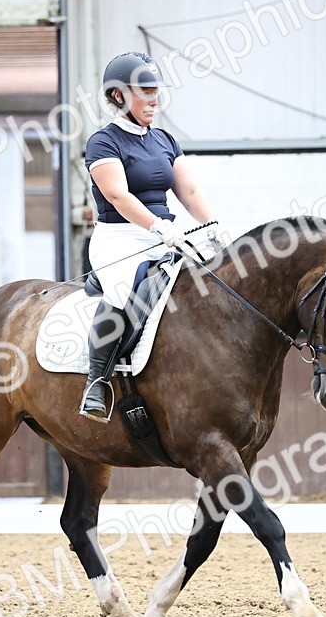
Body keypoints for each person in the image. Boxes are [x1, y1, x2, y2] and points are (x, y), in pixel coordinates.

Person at [79, 51, 220, 422]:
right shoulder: (103, 143)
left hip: (168, 236)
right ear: (118, 97)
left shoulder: (164, 140)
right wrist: (158, 227)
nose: (154, 99)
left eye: (156, 90)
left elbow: (188, 192)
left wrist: (214, 226)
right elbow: (117, 195)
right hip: (121, 238)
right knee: (124, 293)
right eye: (144, 91)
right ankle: (97, 382)